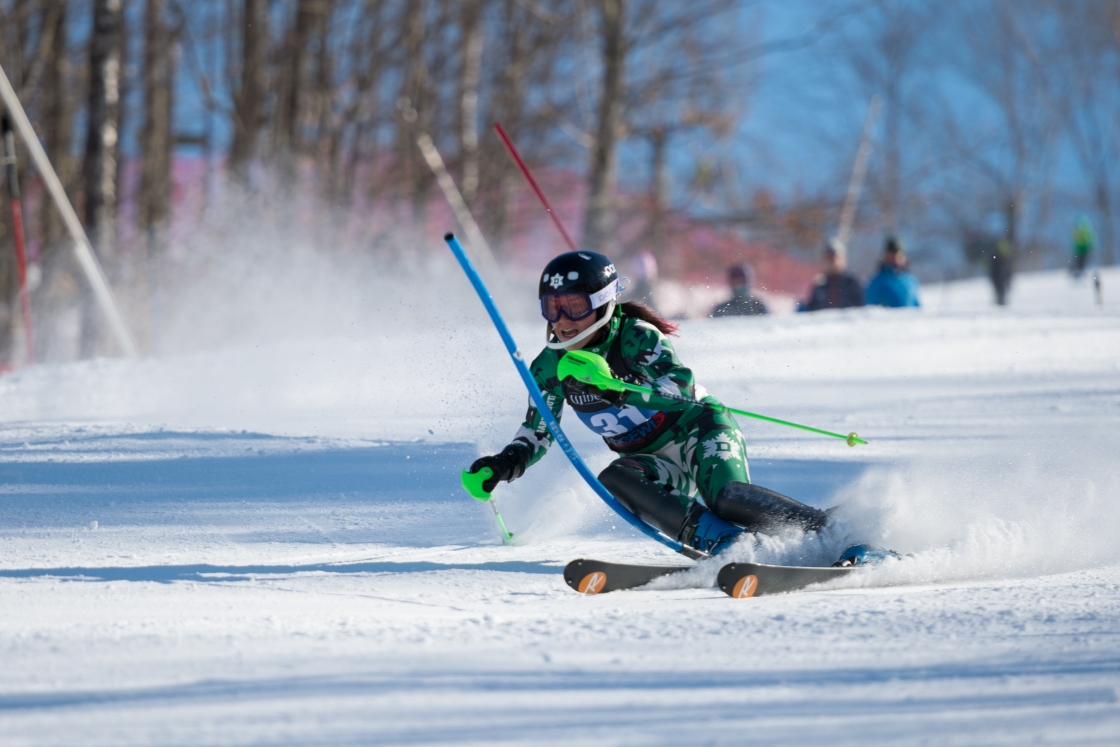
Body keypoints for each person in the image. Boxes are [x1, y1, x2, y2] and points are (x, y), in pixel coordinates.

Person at [464, 250, 839, 558]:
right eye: (552, 308)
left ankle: (832, 531)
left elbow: (680, 387)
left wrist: (616, 389)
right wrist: (504, 464)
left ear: (601, 304)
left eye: (574, 307)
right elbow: (537, 431)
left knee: (726, 498)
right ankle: (728, 545)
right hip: (652, 459)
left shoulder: (634, 335)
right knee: (614, 478)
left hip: (698, 431)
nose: (562, 322)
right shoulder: (548, 367)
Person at [799, 239, 864, 311]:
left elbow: (860, 309)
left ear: (843, 259)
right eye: (829, 258)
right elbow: (811, 310)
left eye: (835, 257)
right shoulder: (820, 285)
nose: (832, 261)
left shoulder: (851, 284)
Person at [865, 237, 921, 308]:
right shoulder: (877, 281)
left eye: (899, 257)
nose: (896, 261)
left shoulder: (911, 280)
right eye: (892, 257)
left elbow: (916, 306)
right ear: (886, 257)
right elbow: (869, 308)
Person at [989, 238, 1013, 306]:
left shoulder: (995, 257)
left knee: (1000, 287)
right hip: (1001, 274)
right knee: (1001, 286)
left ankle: (1001, 301)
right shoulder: (1005, 259)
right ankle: (1001, 301)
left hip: (998, 275)